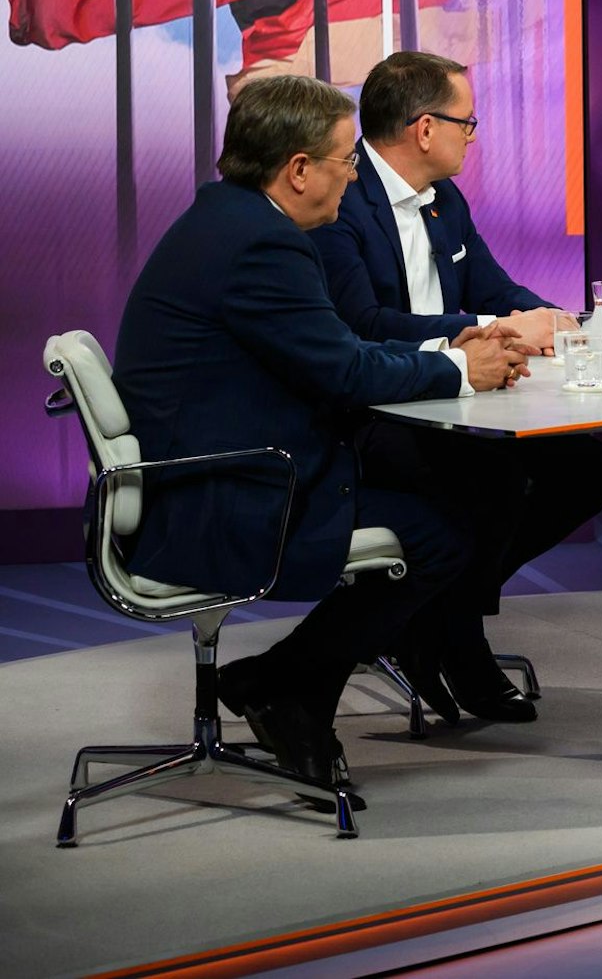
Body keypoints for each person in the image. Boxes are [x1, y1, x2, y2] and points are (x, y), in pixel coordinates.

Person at [114, 75, 528, 804]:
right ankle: (284, 685)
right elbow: (343, 368)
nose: (353, 174)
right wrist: (463, 367)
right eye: (345, 161)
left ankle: (293, 685)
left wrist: (446, 356)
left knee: (463, 489)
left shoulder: (234, 220)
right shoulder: (261, 245)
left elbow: (333, 350)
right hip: (222, 488)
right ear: (298, 169)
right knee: (444, 532)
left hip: (226, 456)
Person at [314, 51, 602, 725]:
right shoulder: (342, 198)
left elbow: (494, 287)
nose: (472, 136)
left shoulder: (444, 198)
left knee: (586, 468)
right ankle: (457, 637)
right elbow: (364, 324)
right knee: (496, 480)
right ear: (426, 129)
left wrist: (555, 322)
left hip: (451, 401)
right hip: (371, 411)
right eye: (467, 122)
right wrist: (495, 325)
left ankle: (439, 615)